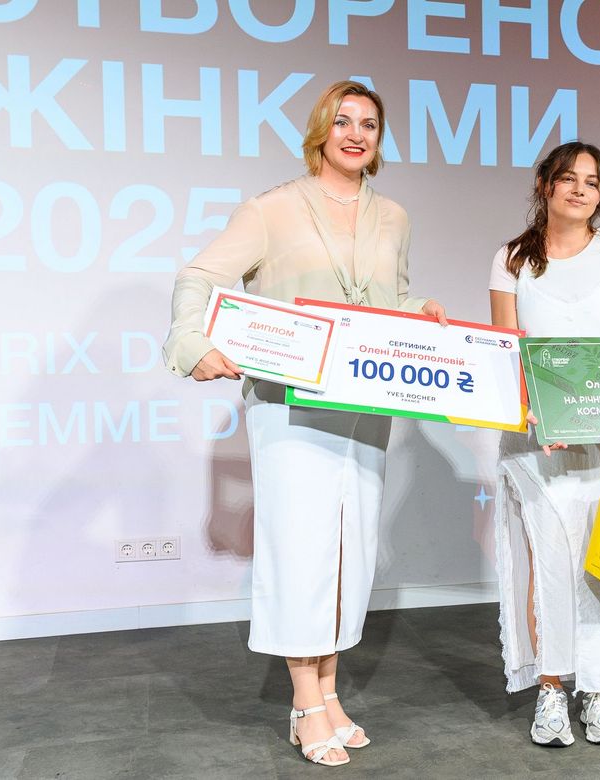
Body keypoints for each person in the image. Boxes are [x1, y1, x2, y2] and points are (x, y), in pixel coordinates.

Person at [163, 81, 447, 767]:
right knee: (300, 548)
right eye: (344, 120)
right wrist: (192, 342)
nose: (356, 133)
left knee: (349, 551)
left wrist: (419, 311)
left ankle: (328, 693)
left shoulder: (394, 216)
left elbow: (389, 297)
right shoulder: (272, 209)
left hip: (367, 402)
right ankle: (303, 702)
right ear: (321, 128)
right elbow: (198, 276)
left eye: (369, 124)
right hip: (290, 404)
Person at [489, 141, 600, 747]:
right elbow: (507, 349)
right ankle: (550, 688)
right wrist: (537, 413)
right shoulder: (512, 258)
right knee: (549, 561)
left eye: (592, 182)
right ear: (545, 184)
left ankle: (599, 689)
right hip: (538, 438)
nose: (580, 190)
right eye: (568, 178)